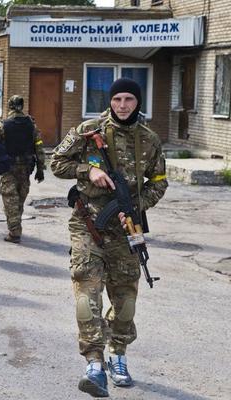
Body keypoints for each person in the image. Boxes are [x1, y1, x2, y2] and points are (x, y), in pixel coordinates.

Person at [51, 78, 168, 398]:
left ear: (138, 102)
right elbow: (57, 162)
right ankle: (94, 363)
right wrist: (87, 171)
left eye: (129, 99)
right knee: (86, 292)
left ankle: (118, 354)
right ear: (110, 101)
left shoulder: (149, 139)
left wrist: (135, 207)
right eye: (117, 99)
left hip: (127, 229)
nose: (123, 105)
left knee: (126, 301)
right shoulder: (89, 131)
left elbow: (159, 181)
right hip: (88, 224)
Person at [0, 95, 46, 243]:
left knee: (10, 200)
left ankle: (15, 232)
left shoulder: (3, 125)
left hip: (8, 168)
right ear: (22, 106)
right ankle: (15, 227)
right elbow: (39, 147)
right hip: (26, 168)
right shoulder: (31, 125)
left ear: (9, 106)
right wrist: (40, 169)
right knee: (19, 200)